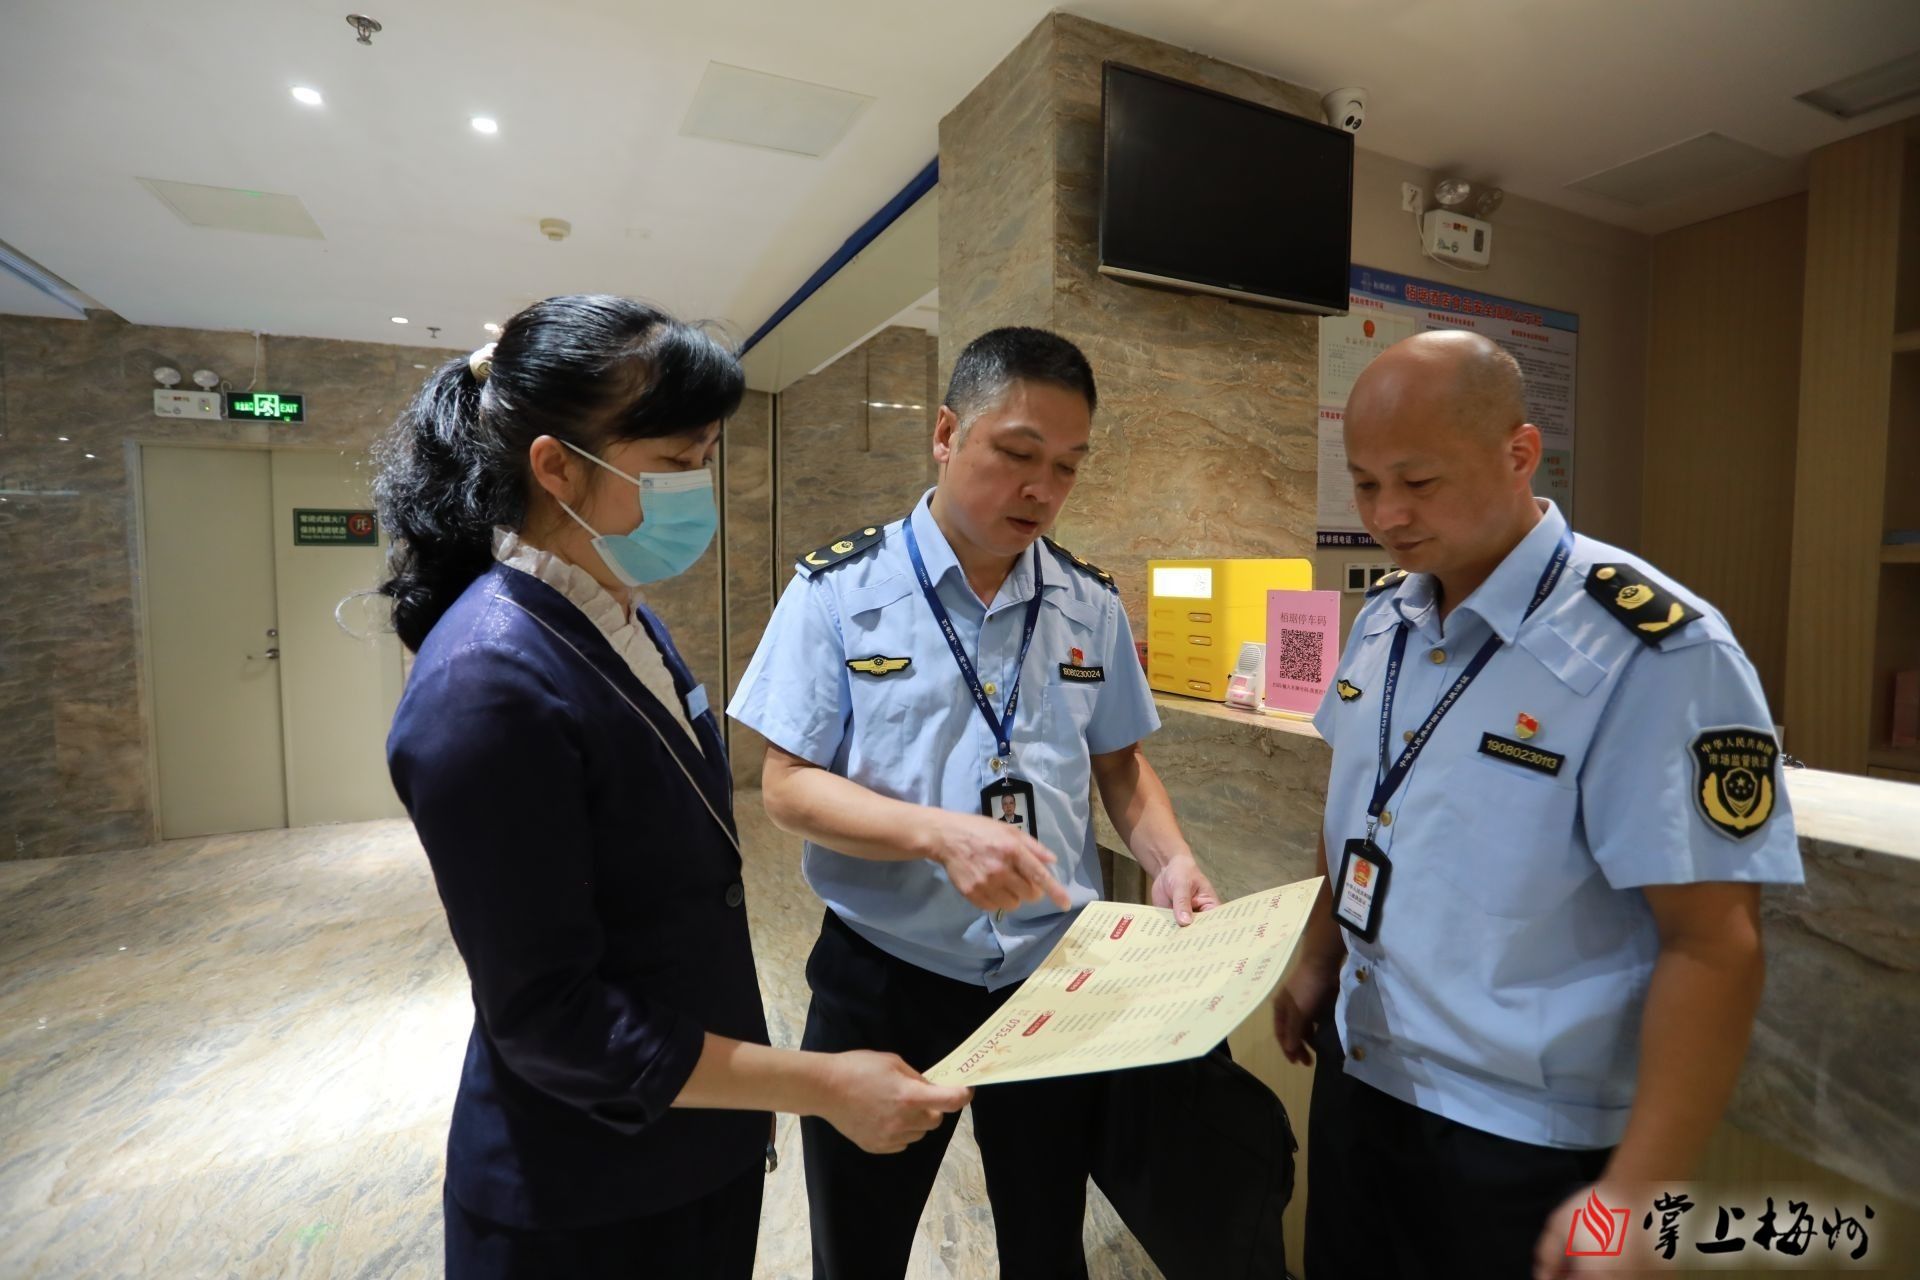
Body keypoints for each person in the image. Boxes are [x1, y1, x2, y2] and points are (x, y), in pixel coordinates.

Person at [375, 295, 969, 1280]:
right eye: (675, 461)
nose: (698, 487)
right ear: (557, 467)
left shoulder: (613, 611)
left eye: (706, 457)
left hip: (688, 1140)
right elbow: (553, 1018)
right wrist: (819, 1085)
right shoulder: (486, 684)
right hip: (586, 1195)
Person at [1270, 331, 1803, 1279]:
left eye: (1418, 481)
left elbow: (1715, 942)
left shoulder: (1657, 650)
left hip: (1522, 1137)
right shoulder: (1389, 619)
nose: (1387, 515)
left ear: (1520, 453)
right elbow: (1356, 809)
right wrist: (1319, 953)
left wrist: (1636, 1195)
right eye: (1364, 484)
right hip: (1364, 1075)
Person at [728, 326, 1223, 1279]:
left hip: (1050, 980)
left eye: (1067, 467)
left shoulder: (1088, 603)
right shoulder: (840, 591)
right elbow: (786, 787)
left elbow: (1121, 766)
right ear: (947, 434)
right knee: (860, 1250)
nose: (1042, 489)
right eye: (1018, 454)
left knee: (1047, 1245)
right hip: (885, 974)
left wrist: (1172, 860)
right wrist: (936, 834)